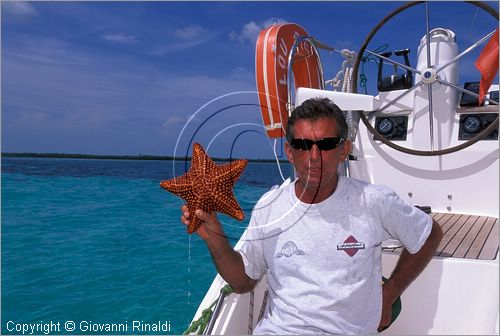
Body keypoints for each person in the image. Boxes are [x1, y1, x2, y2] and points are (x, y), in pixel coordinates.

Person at [181, 98, 443, 334]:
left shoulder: (373, 201)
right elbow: (242, 282)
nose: (314, 157)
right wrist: (213, 236)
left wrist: (391, 290)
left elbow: (430, 233)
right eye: (303, 145)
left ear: (344, 150)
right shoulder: (269, 206)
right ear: (289, 152)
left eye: (326, 145)